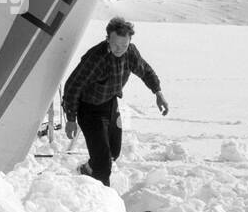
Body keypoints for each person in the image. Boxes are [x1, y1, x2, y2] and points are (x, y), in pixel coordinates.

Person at [62, 17, 168, 187]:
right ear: (108, 39)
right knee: (103, 165)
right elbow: (72, 87)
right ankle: (103, 202)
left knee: (113, 152)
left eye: (124, 46)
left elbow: (145, 71)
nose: (120, 49)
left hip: (109, 104)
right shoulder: (96, 58)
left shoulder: (130, 52)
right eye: (116, 45)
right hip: (89, 110)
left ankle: (87, 170)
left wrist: (158, 92)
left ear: (129, 42)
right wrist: (71, 119)